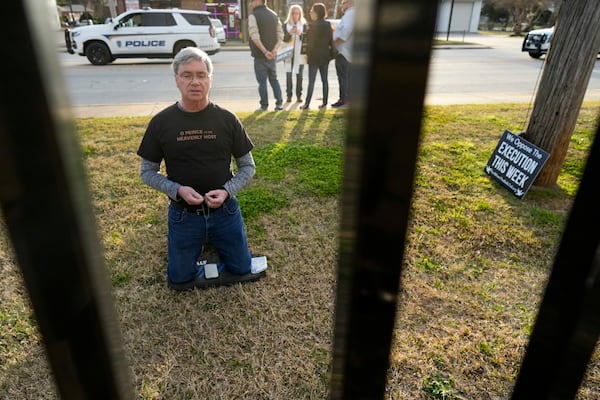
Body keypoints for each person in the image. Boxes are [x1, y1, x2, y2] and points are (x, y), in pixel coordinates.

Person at [136, 47, 265, 291]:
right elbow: (147, 172)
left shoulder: (227, 119)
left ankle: (216, 241)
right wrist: (177, 190)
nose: (195, 81)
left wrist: (227, 191)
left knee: (240, 268)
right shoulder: (161, 122)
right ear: (176, 80)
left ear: (210, 79)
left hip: (225, 211)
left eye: (201, 75)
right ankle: (203, 243)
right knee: (180, 278)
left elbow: (248, 166)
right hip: (184, 214)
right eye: (187, 75)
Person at [248, 0, 284, 111]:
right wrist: (274, 50)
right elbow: (280, 35)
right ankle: (279, 104)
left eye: (252, 1)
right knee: (274, 79)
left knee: (262, 82)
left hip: (260, 56)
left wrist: (265, 52)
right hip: (272, 55)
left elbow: (255, 36)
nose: (251, 3)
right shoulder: (274, 15)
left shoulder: (253, 16)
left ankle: (264, 105)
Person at [300, 3, 333, 110]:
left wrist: (307, 54)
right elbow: (331, 42)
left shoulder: (312, 25)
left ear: (316, 13)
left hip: (314, 56)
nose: (310, 12)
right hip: (325, 56)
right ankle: (324, 103)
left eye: (312, 11)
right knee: (325, 80)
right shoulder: (328, 24)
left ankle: (307, 103)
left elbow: (310, 44)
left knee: (311, 81)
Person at [331, 0, 355, 108]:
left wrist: (334, 44)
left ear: (350, 3)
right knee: (347, 76)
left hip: (343, 51)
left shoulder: (350, 14)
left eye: (344, 2)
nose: (342, 5)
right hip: (347, 51)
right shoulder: (351, 14)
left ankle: (344, 99)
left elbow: (345, 31)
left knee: (343, 76)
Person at [282, 4, 307, 103]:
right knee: (288, 74)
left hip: (300, 54)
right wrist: (290, 33)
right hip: (288, 53)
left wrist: (300, 34)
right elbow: (283, 40)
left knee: (299, 75)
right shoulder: (285, 25)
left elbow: (307, 40)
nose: (295, 15)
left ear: (300, 14)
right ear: (290, 14)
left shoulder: (304, 25)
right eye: (293, 13)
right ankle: (289, 95)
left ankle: (299, 96)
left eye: (297, 13)